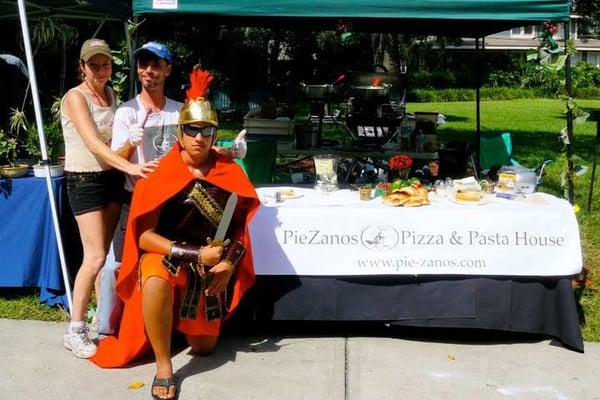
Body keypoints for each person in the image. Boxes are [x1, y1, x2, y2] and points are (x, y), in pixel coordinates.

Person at [90, 67, 259, 400]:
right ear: (181, 133)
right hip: (168, 256)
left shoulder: (229, 172)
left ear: (214, 134)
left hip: (209, 267)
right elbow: (143, 238)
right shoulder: (159, 173)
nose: (199, 137)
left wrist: (227, 263)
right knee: (153, 274)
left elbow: (240, 226)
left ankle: (176, 321)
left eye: (207, 130)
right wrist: (195, 254)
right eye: (192, 130)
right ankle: (164, 366)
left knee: (204, 347)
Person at [95, 42, 247, 337]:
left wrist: (229, 152)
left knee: (177, 264)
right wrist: (131, 144)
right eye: (143, 64)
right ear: (137, 69)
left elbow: (199, 145)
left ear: (167, 70)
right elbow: (116, 161)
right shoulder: (127, 112)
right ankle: (108, 328)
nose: (148, 71)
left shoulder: (180, 111)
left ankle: (177, 324)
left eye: (156, 65)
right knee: (117, 264)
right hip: (137, 197)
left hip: (176, 202)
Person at [60, 38, 157, 359]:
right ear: (82, 66)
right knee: (95, 257)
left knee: (112, 259)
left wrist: (132, 145)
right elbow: (94, 144)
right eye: (93, 65)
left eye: (105, 64)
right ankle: (75, 330)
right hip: (84, 180)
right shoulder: (75, 97)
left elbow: (118, 141)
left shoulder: (112, 94)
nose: (100, 70)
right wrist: (131, 165)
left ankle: (104, 323)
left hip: (112, 179)